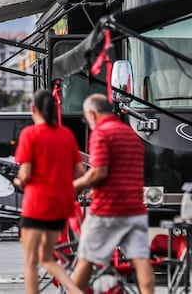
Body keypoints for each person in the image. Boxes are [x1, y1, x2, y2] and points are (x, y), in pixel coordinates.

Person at [72, 93, 155, 293]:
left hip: (107, 211)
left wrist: (73, 187)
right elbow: (122, 172)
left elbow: (98, 172)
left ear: (92, 113)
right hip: (135, 208)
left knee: (86, 259)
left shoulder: (102, 133)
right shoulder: (130, 134)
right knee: (141, 260)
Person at [13, 90, 85, 294]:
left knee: (30, 261)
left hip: (36, 205)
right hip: (60, 206)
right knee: (46, 257)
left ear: (33, 109)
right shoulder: (66, 134)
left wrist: (18, 180)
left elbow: (25, 174)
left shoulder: (30, 134)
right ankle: (76, 291)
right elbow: (80, 171)